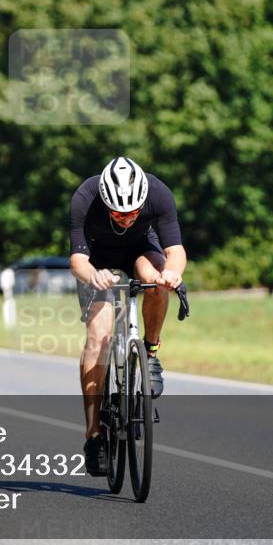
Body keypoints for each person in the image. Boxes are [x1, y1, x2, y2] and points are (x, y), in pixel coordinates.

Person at [69, 156, 186, 476]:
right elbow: (77, 260)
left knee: (157, 280)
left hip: (140, 251)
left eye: (133, 212)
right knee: (98, 336)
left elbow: (175, 251)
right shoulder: (84, 197)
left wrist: (173, 275)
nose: (126, 218)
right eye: (119, 213)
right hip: (97, 261)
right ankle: (93, 435)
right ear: (106, 203)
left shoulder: (159, 194)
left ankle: (150, 352)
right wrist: (93, 276)